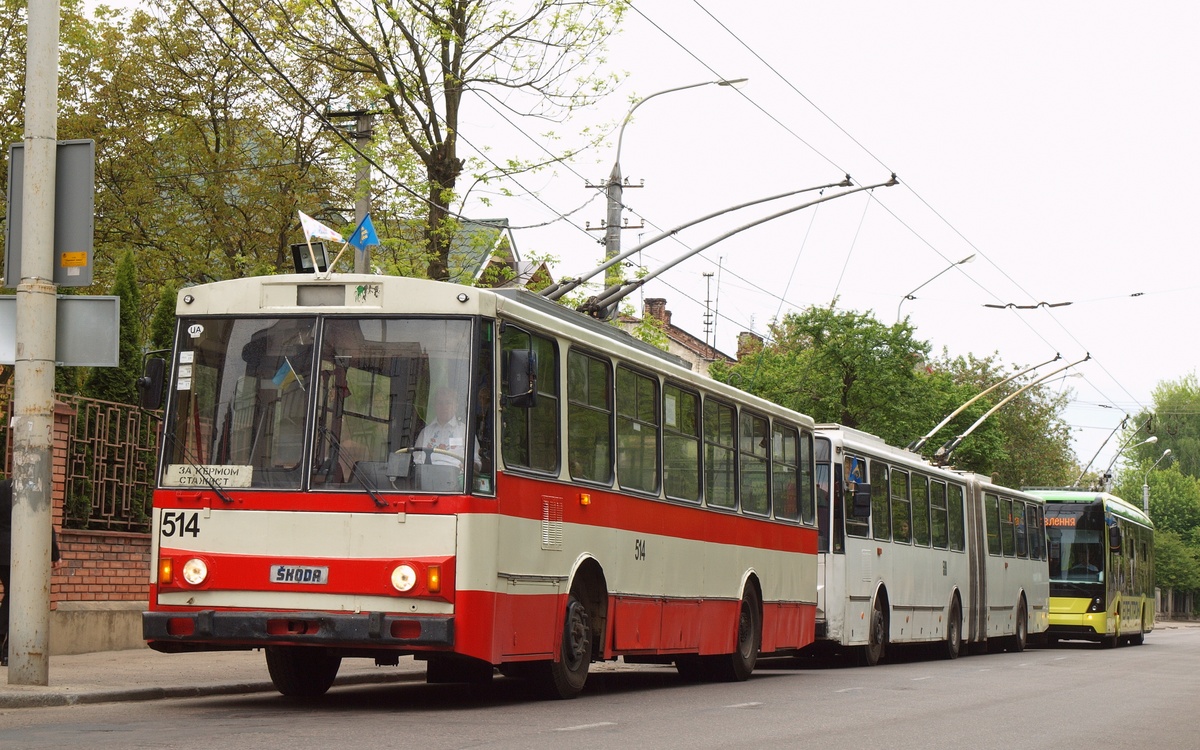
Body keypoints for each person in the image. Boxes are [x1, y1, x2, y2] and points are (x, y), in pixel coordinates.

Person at [1, 478, 61, 667]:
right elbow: (44, 519)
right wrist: (55, 555)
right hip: (19, 552)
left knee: (10, 598)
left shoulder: (2, 487)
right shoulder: (34, 488)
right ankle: (7, 650)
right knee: (14, 599)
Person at [416, 387, 469, 467]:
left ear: (456, 406)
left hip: (455, 478)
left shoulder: (465, 431)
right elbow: (416, 459)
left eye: (448, 403)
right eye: (440, 403)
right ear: (435, 406)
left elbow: (476, 462)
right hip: (428, 476)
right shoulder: (425, 432)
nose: (444, 407)